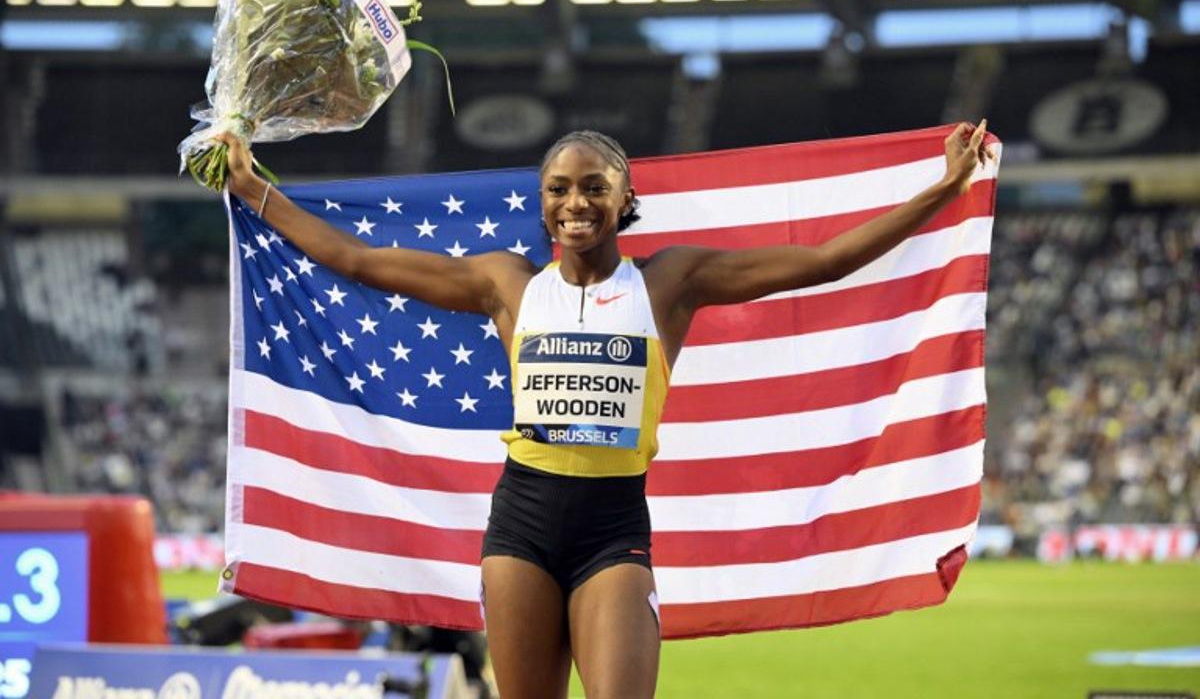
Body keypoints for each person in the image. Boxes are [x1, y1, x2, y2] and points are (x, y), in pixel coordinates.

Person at [220, 121, 992, 699]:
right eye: (559, 188)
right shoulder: (506, 284)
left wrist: (940, 190)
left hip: (612, 530)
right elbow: (359, 260)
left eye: (595, 186)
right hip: (520, 523)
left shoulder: (671, 284)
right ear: (542, 204)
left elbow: (822, 261)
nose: (575, 201)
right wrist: (255, 190)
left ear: (627, 200)